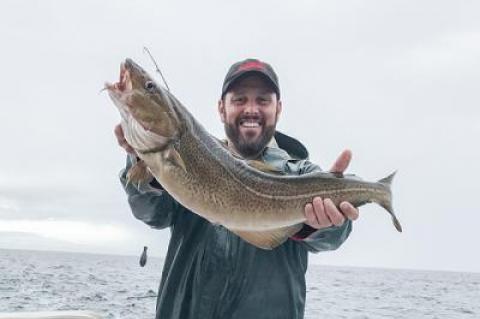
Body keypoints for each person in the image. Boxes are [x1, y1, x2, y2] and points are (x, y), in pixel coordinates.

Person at [115, 58, 359, 319]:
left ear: (278, 109)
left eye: (263, 100)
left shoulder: (300, 175)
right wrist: (143, 163)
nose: (251, 109)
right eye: (239, 99)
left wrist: (325, 224)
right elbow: (152, 212)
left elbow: (333, 236)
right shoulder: (191, 157)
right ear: (222, 108)